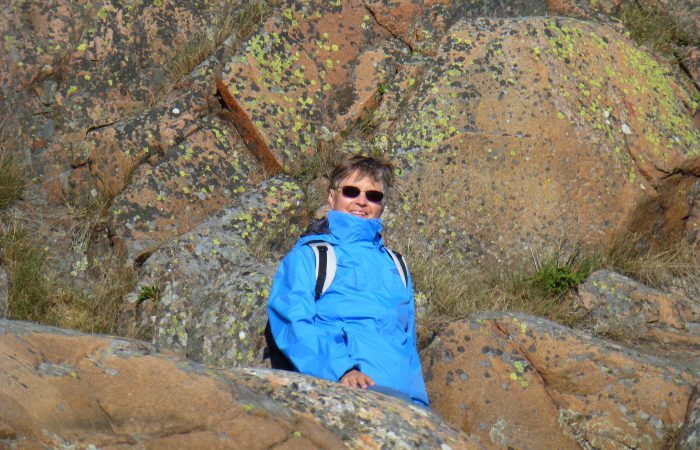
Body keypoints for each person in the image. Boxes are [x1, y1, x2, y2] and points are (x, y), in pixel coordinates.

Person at [266, 155, 430, 408]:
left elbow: (407, 345)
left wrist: (420, 406)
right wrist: (342, 370)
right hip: (343, 392)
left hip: (402, 403)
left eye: (373, 196)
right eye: (351, 192)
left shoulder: (397, 264)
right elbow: (293, 322)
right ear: (332, 198)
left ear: (382, 205)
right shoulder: (312, 256)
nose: (362, 201)